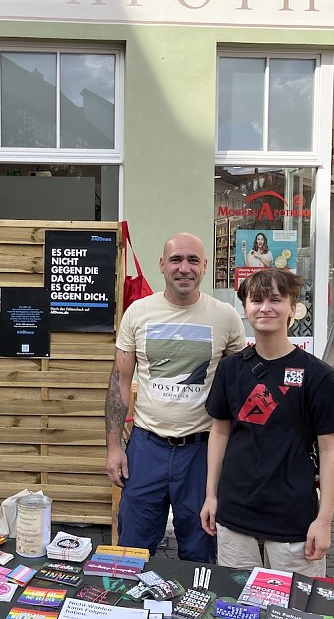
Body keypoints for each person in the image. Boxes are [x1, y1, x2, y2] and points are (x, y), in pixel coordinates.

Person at [201, 268, 334, 576]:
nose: (265, 307)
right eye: (256, 300)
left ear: (293, 307)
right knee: (238, 601)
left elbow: (330, 450)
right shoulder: (230, 370)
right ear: (245, 309)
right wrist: (211, 496)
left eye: (276, 299)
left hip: (293, 515)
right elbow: (219, 432)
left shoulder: (318, 375)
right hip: (236, 511)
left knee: (296, 605)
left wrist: (324, 520)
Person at [106, 232, 245, 562]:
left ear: (205, 267)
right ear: (162, 265)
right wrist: (113, 446)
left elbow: (237, 390)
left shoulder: (225, 317)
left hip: (200, 452)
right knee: (132, 544)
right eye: (176, 260)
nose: (185, 268)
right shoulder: (138, 313)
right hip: (146, 447)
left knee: (201, 544)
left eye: (193, 260)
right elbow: (119, 383)